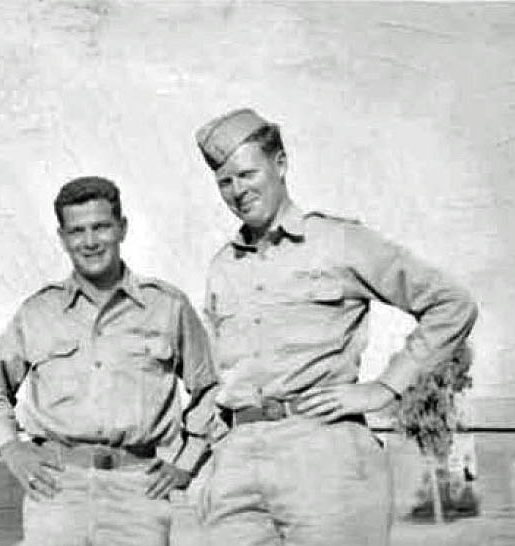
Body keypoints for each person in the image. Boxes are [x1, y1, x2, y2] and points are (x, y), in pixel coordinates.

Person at [193, 108, 478, 545]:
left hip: (323, 454)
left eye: (248, 175)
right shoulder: (222, 266)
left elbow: (451, 305)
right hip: (236, 462)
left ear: (280, 164)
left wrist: (386, 388)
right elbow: (219, 373)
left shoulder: (338, 241)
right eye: (225, 182)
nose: (238, 191)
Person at [0, 176, 218, 546]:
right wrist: (11, 448)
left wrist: (186, 461)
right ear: (62, 238)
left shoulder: (167, 306)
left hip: (139, 491)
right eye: (77, 231)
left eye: (101, 227)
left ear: (122, 228)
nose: (90, 242)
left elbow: (210, 385)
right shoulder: (38, 312)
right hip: (56, 490)